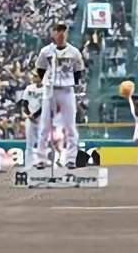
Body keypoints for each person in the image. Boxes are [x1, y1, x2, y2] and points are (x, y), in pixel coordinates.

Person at [36, 22, 84, 170]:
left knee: (70, 126)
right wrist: (47, 81)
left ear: (66, 34)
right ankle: (41, 159)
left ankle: (71, 159)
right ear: (53, 34)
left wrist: (72, 82)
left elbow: (78, 70)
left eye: (63, 31)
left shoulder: (74, 52)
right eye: (58, 31)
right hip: (50, 89)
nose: (60, 34)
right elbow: (40, 68)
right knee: (45, 125)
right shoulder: (46, 51)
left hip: (66, 89)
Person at [19, 70, 45, 168]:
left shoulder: (46, 89)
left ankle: (41, 162)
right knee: (29, 143)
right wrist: (25, 113)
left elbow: (45, 105)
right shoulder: (29, 88)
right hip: (30, 118)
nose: (34, 78)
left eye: (36, 76)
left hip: (41, 118)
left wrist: (34, 115)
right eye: (33, 76)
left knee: (41, 141)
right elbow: (24, 102)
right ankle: (28, 164)